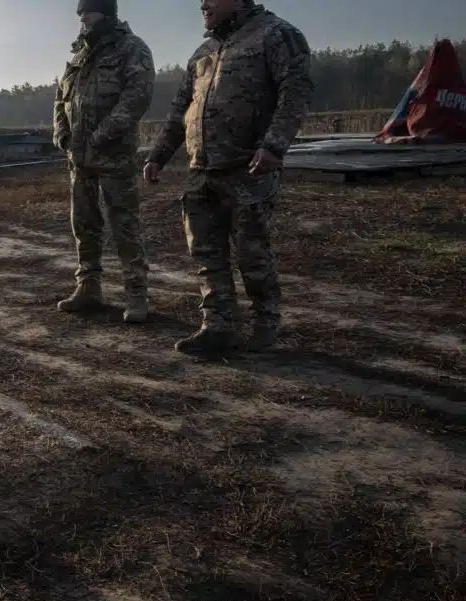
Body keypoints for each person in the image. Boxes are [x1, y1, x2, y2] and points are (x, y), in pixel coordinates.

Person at [144, 0, 313, 356]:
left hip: (247, 168)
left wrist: (274, 145)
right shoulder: (203, 52)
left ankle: (265, 322)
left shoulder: (275, 34)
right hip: (202, 170)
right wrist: (158, 155)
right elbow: (180, 109)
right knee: (206, 253)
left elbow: (296, 91)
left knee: (252, 252)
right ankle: (218, 325)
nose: (203, 4)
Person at [53, 0, 156, 323]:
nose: (83, 19)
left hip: (114, 155)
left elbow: (137, 97)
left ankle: (136, 294)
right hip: (79, 158)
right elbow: (61, 97)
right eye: (80, 15)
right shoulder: (79, 54)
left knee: (124, 224)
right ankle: (89, 287)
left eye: (89, 13)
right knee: (84, 224)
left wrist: (100, 136)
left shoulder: (132, 48)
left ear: (107, 14)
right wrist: (62, 134)